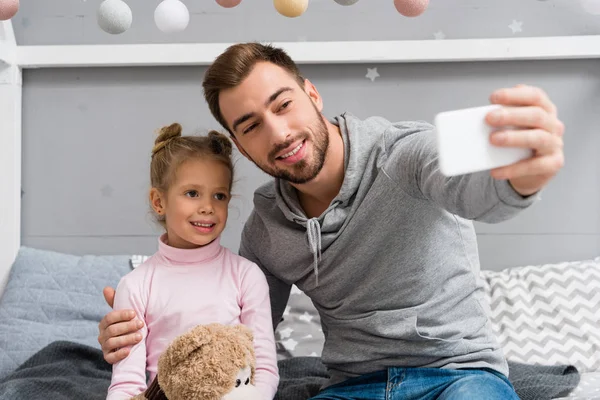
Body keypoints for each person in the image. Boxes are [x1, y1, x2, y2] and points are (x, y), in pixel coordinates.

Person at [98, 43, 565, 399]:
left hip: (458, 375)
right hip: (352, 386)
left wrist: (520, 183)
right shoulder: (266, 228)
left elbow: (477, 193)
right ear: (240, 146)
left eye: (283, 105)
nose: (278, 133)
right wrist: (139, 328)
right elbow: (235, 321)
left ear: (312, 94)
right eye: (251, 125)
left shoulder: (402, 155)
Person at [105, 123, 279, 400]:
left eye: (219, 195)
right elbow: (127, 383)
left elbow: (265, 365)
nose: (207, 206)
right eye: (192, 193)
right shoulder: (137, 285)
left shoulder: (246, 275)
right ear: (159, 201)